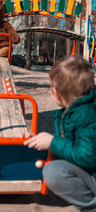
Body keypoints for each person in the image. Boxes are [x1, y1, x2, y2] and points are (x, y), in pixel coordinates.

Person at [24, 56, 96, 212]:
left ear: (57, 93)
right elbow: (73, 143)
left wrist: (53, 142)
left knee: (53, 172)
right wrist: (42, 142)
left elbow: (87, 155)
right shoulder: (76, 110)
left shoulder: (87, 115)